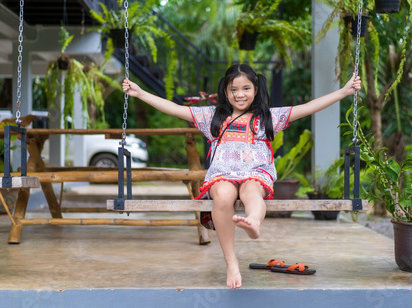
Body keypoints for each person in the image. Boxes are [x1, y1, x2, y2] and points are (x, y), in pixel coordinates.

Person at [122, 64, 361, 289]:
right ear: (225, 93)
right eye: (233, 89)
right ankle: (231, 262)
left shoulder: (268, 118)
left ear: (256, 90)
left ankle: (254, 222)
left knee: (251, 190)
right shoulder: (212, 117)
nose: (240, 94)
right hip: (222, 174)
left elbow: (308, 107)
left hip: (255, 173)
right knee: (223, 196)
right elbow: (175, 109)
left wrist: (343, 92)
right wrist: (141, 93)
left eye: (246, 88)